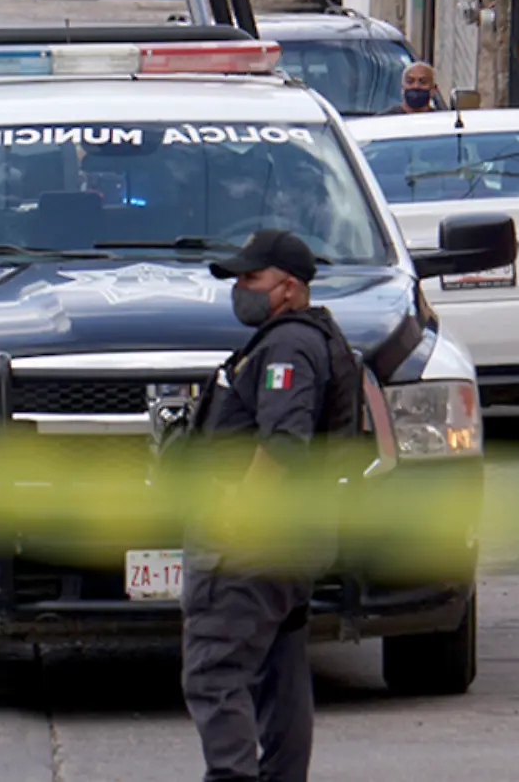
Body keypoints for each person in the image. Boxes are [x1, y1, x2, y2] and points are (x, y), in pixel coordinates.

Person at [181, 229, 354, 782]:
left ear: (289, 288)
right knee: (278, 675)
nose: (240, 289)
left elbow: (283, 441)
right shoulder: (302, 339)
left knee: (214, 673)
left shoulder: (287, 348)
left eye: (252, 278)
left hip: (250, 547)